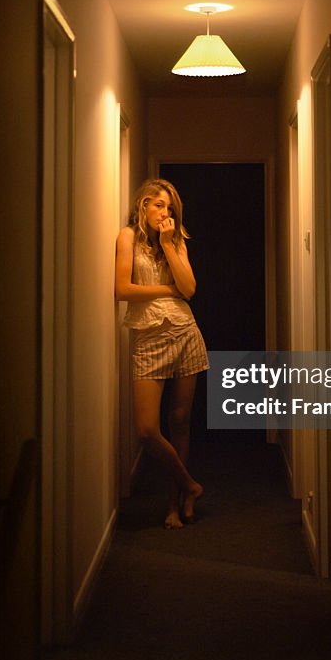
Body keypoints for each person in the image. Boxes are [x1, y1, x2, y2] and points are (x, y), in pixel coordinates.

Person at [115, 178, 207, 529]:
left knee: (180, 422)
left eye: (168, 207)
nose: (164, 212)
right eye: (157, 205)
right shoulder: (128, 237)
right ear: (142, 206)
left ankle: (175, 504)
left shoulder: (176, 238)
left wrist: (170, 245)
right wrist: (167, 289)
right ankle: (190, 484)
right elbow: (122, 289)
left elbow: (190, 289)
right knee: (147, 429)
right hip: (148, 338)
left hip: (185, 333)